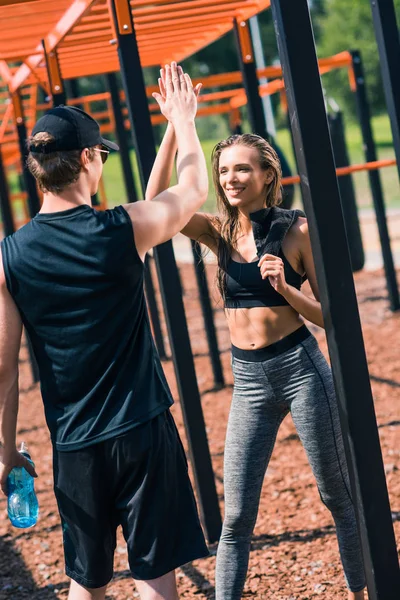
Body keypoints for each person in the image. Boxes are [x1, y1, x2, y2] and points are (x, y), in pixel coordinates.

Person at [144, 75, 367, 600]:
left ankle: (362, 589)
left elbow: (333, 318)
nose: (230, 179)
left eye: (242, 169)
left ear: (269, 175)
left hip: (300, 370)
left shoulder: (296, 231)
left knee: (336, 494)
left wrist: (286, 289)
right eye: (223, 171)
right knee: (237, 515)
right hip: (248, 381)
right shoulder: (216, 232)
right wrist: (179, 127)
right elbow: (152, 204)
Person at [0, 62, 209, 600]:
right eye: (103, 155)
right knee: (155, 576)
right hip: (141, 430)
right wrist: (184, 120)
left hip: (73, 445)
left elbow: (3, 371)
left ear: (37, 167)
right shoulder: (122, 230)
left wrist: (4, 452)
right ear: (89, 159)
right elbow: (192, 190)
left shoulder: (9, 258)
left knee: (84, 582)